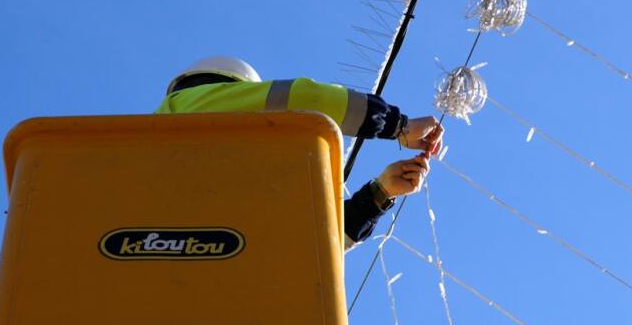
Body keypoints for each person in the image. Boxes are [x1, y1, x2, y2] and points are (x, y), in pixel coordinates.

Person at [156, 56, 443, 249]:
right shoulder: (183, 105)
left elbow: (312, 249)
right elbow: (307, 100)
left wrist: (379, 194)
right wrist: (399, 126)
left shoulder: (228, 201)